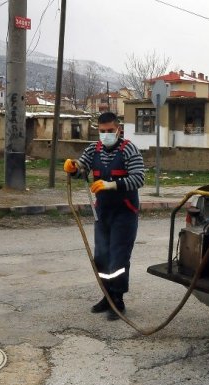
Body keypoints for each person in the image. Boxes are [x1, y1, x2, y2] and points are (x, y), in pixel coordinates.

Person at [64, 112, 145, 320]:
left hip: (124, 212)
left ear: (118, 129)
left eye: (110, 131)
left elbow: (138, 178)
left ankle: (118, 300)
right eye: (102, 131)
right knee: (101, 256)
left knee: (118, 257)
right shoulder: (94, 149)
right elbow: (82, 168)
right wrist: (74, 167)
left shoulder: (129, 149)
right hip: (102, 212)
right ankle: (107, 295)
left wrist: (112, 184)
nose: (106, 135)